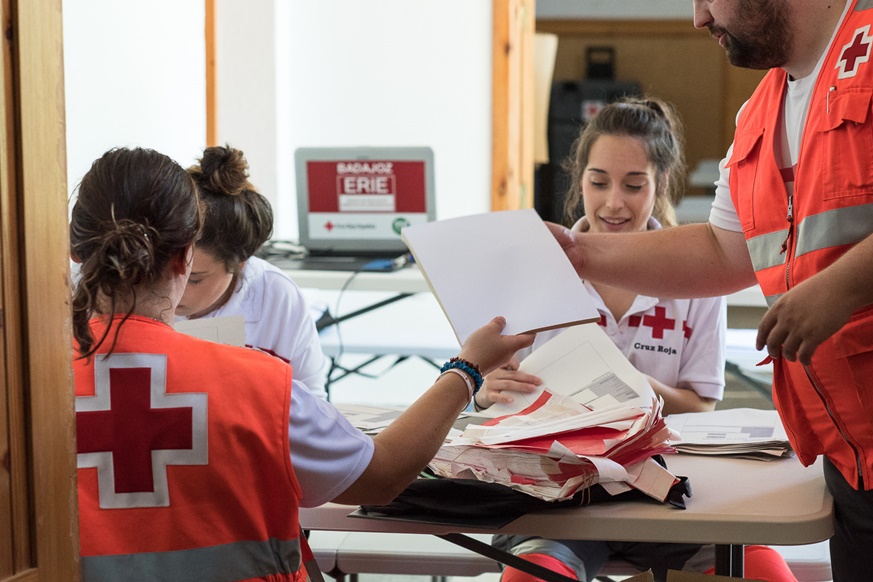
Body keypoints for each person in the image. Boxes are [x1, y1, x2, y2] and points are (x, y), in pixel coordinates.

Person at [545, 1, 873, 580]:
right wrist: (580, 254)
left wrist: (838, 291)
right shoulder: (762, 112)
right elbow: (724, 252)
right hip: (863, 458)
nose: (699, 18)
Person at [70, 146, 533, 581]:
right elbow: (381, 477)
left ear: (75, 254)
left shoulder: (28, 390)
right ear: (185, 256)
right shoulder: (256, 384)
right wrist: (467, 369)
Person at [479, 98, 796, 582]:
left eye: (633, 185)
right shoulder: (537, 268)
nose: (613, 203)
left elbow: (699, 404)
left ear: (660, 184)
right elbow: (485, 389)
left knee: (763, 571)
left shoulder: (694, 275)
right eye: (598, 182)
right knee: (530, 573)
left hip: (665, 484)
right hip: (559, 491)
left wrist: (629, 387)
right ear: (578, 179)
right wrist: (483, 389)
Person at [176, 145, 330, 399]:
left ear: (240, 264)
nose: (174, 288)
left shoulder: (277, 297)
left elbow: (313, 403)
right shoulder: (137, 289)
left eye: (194, 279)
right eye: (167, 270)